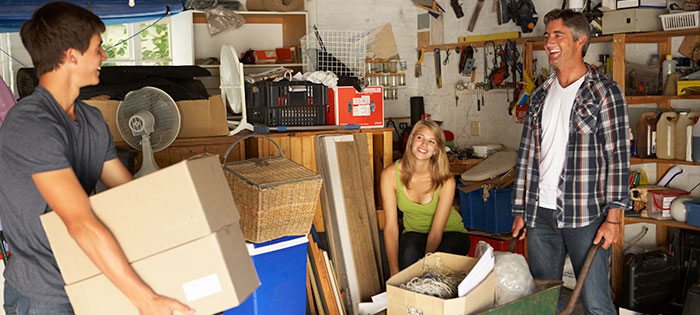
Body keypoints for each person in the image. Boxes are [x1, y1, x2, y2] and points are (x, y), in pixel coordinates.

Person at [0, 2, 193, 314]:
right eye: (97, 48)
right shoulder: (30, 124)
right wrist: (145, 299)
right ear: (71, 55)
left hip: (90, 275)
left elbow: (127, 195)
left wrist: (183, 220)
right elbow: (79, 222)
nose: (104, 57)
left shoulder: (90, 120)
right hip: (45, 293)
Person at [510, 9, 631, 315]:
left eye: (557, 35)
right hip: (540, 214)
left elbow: (617, 156)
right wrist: (521, 210)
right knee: (544, 299)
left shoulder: (604, 92)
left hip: (586, 214)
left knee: (595, 302)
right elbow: (526, 157)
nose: (548, 41)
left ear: (580, 41)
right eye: (547, 35)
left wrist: (614, 217)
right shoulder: (540, 96)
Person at [382, 119, 469, 276]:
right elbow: (390, 227)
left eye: (431, 141)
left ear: (436, 150)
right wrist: (394, 271)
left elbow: (436, 232)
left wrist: (426, 269)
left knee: (439, 263)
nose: (423, 145)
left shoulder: (445, 181)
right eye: (420, 138)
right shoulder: (390, 175)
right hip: (414, 233)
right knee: (408, 255)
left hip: (450, 233)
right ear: (411, 140)